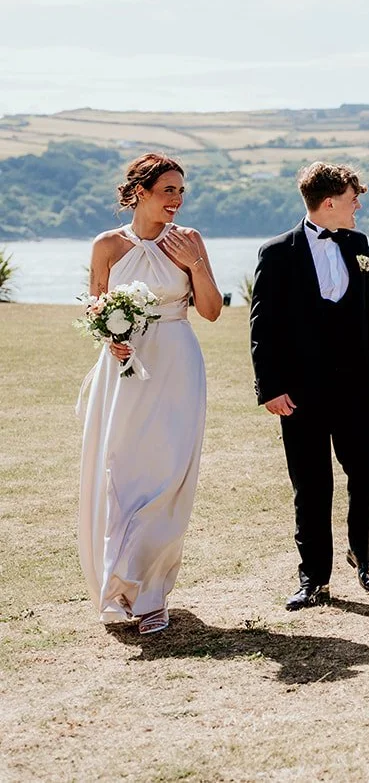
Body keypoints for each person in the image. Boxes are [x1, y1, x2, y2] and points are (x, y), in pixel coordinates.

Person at [78, 153, 222, 634]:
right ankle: (118, 589)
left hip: (177, 363)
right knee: (122, 473)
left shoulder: (190, 241)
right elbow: (95, 309)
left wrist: (194, 264)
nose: (177, 200)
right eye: (168, 191)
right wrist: (109, 337)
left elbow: (212, 310)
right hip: (123, 370)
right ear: (139, 192)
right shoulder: (107, 246)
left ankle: (152, 594)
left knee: (168, 477)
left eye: (182, 191)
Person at [250, 162, 369, 610]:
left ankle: (363, 554)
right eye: (354, 198)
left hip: (357, 383)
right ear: (331, 201)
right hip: (300, 392)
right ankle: (313, 578)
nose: (359, 205)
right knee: (312, 486)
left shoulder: (357, 243)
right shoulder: (277, 252)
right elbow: (263, 326)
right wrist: (270, 388)